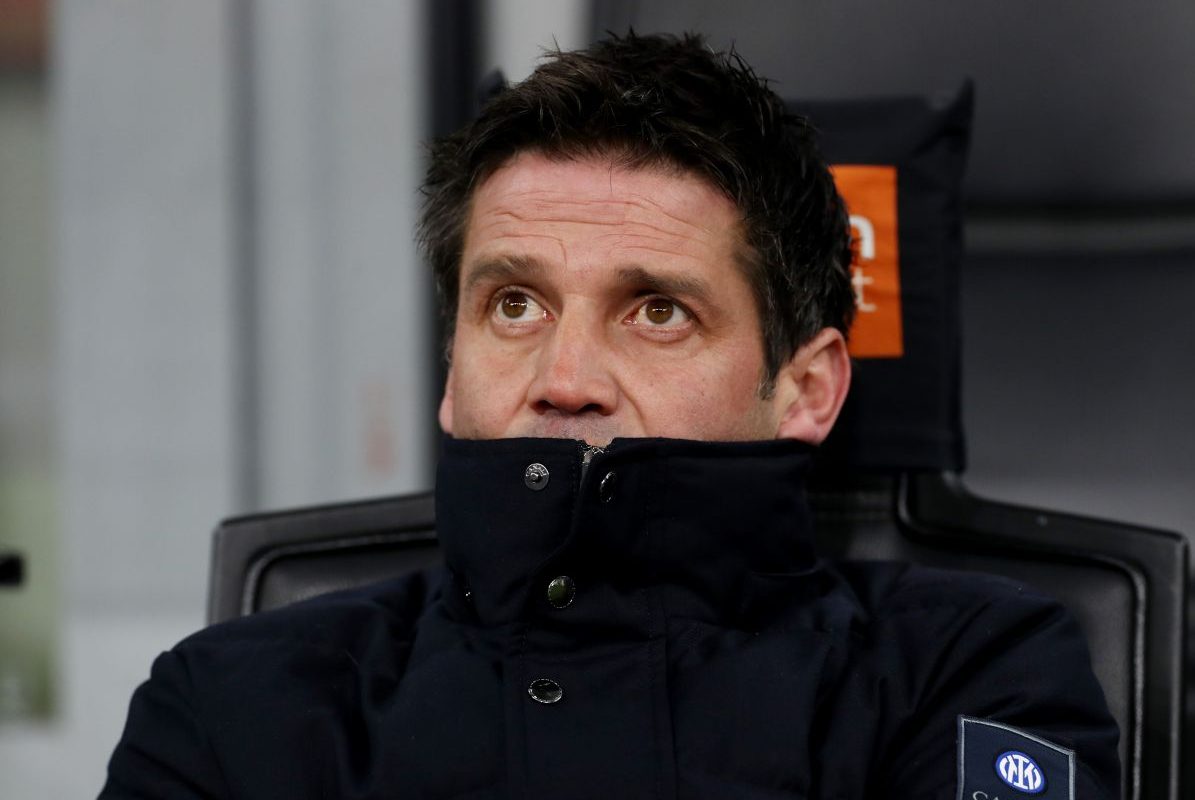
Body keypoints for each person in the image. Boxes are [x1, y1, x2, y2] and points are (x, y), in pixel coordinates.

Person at [100, 32, 1118, 799]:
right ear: (452, 368)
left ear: (806, 388)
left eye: (657, 310)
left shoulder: (975, 666)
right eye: (514, 303)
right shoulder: (233, 703)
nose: (565, 373)